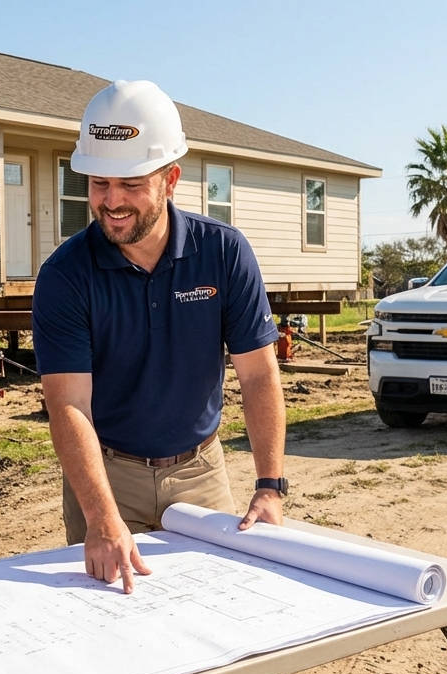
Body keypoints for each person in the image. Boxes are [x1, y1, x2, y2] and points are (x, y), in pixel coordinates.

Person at [32, 80, 289, 594]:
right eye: (99, 184)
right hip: (108, 476)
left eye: (130, 184)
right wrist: (101, 517)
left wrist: (270, 486)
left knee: (214, 613)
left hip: (200, 472)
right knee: (107, 623)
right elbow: (69, 406)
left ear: (170, 179)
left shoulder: (223, 253)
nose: (112, 202)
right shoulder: (65, 275)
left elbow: (259, 374)